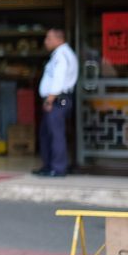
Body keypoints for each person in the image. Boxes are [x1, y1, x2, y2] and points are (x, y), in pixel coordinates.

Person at [33, 28, 78, 178]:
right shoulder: (59, 54)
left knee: (56, 134)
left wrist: (50, 99)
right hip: (55, 99)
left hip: (58, 100)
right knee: (46, 134)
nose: (46, 42)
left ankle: (58, 168)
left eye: (48, 38)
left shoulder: (62, 55)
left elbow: (58, 80)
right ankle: (48, 165)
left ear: (58, 39)